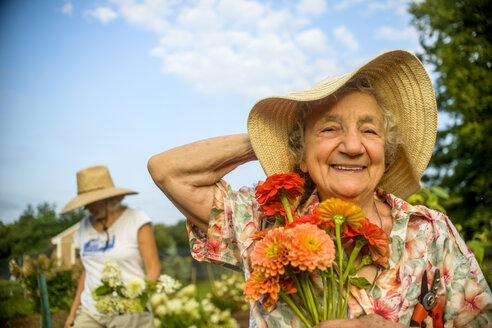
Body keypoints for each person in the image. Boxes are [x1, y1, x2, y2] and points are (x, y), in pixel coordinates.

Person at [147, 50, 492, 327]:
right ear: (301, 155)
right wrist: (270, 140)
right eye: (329, 129)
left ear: (385, 153)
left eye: (370, 131)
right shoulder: (266, 224)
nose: (353, 146)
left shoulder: (430, 231)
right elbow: (168, 171)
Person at [62, 165, 160, 328]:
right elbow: (87, 271)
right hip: (91, 312)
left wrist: (134, 301)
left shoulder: (137, 220)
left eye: (91, 202)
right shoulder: (83, 227)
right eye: (84, 203)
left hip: (129, 312)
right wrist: (72, 314)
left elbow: (154, 269)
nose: (86, 208)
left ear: (108, 198)